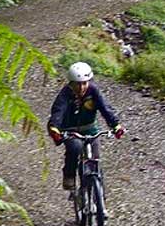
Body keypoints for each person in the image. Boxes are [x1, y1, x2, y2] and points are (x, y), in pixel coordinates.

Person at [46, 62, 124, 190]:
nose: (82, 87)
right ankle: (69, 175)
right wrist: (54, 129)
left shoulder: (93, 90)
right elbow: (58, 112)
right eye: (78, 83)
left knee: (95, 157)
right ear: (71, 83)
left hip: (90, 128)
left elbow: (105, 108)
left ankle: (98, 192)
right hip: (70, 130)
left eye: (84, 83)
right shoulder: (65, 94)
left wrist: (116, 125)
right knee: (75, 148)